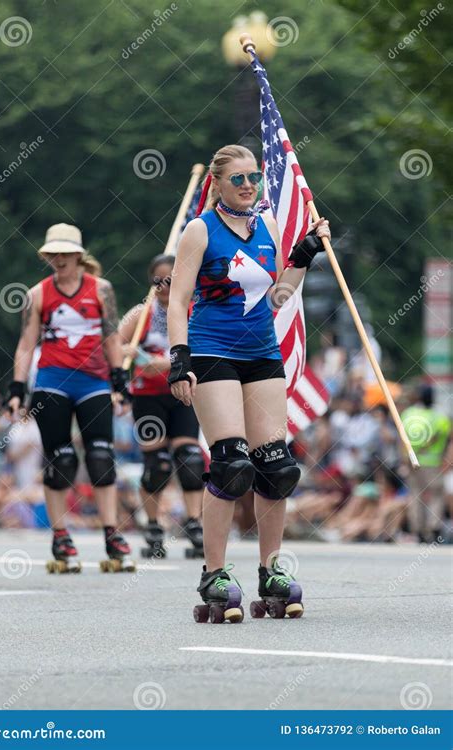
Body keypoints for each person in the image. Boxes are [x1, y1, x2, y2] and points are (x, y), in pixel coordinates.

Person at [166, 144, 330, 622]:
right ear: (216, 184)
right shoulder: (200, 230)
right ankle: (214, 572)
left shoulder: (268, 228)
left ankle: (271, 569)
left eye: (253, 177)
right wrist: (180, 359)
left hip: (261, 353)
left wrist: (301, 257)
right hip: (213, 351)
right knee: (231, 465)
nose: (247, 185)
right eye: (237, 178)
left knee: (276, 467)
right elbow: (178, 301)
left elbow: (277, 294)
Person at [3, 223, 134, 572]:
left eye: (65, 254)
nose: (59, 260)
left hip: (93, 381)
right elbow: (27, 344)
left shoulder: (101, 290)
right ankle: (60, 534)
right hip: (53, 381)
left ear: (78, 256)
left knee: (101, 456)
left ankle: (111, 532)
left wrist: (120, 380)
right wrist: (17, 389)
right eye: (53, 255)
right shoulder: (38, 294)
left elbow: (111, 337)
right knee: (60, 459)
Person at [120, 254, 205, 558]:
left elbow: (200, 350)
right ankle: (154, 525)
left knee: (190, 459)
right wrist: (126, 350)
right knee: (157, 465)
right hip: (147, 396)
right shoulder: (141, 314)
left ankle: (195, 523)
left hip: (182, 392)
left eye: (170, 279)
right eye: (158, 280)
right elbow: (113, 347)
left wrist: (157, 362)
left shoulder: (192, 312)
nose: (164, 285)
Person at [401, 384, 451, 543]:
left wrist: (405, 459)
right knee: (436, 495)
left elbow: (402, 439)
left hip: (413, 461)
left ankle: (418, 530)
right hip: (433, 463)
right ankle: (433, 527)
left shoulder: (408, 414)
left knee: (415, 495)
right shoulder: (440, 417)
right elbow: (446, 438)